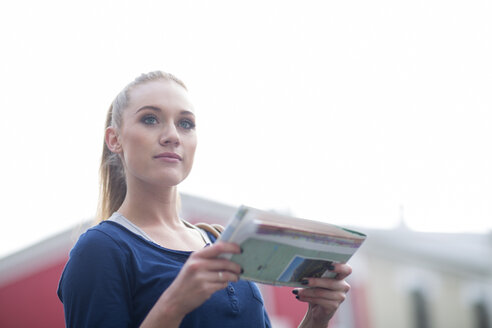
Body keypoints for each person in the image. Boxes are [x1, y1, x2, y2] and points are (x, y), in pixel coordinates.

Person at [57, 71, 353, 328]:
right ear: (114, 139)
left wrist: (317, 318)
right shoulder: (100, 250)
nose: (172, 135)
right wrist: (173, 304)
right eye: (150, 119)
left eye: (185, 123)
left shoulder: (223, 244)